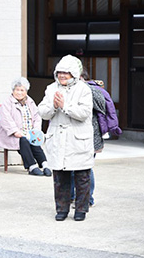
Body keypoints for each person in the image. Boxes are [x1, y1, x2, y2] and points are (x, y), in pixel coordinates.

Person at [38, 55, 94, 221]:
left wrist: (65, 106)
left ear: (74, 74)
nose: (62, 75)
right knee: (60, 178)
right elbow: (42, 112)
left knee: (82, 177)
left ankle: (81, 210)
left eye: (66, 73)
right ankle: (61, 209)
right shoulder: (50, 88)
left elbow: (84, 114)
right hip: (58, 138)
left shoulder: (84, 89)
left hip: (77, 138)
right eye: (60, 72)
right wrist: (54, 107)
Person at [0, 77, 52, 176]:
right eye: (17, 90)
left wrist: (36, 130)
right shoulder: (7, 103)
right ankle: (32, 166)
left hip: (29, 133)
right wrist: (15, 131)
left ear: (26, 91)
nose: (19, 92)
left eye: (22, 90)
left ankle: (45, 164)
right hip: (13, 134)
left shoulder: (30, 101)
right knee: (24, 140)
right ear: (13, 91)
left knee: (34, 142)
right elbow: (6, 120)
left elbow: (37, 117)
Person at [70, 68, 106, 207]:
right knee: (71, 168)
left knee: (85, 168)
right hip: (74, 135)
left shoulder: (91, 90)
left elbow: (101, 108)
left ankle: (88, 198)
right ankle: (73, 196)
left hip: (90, 136)